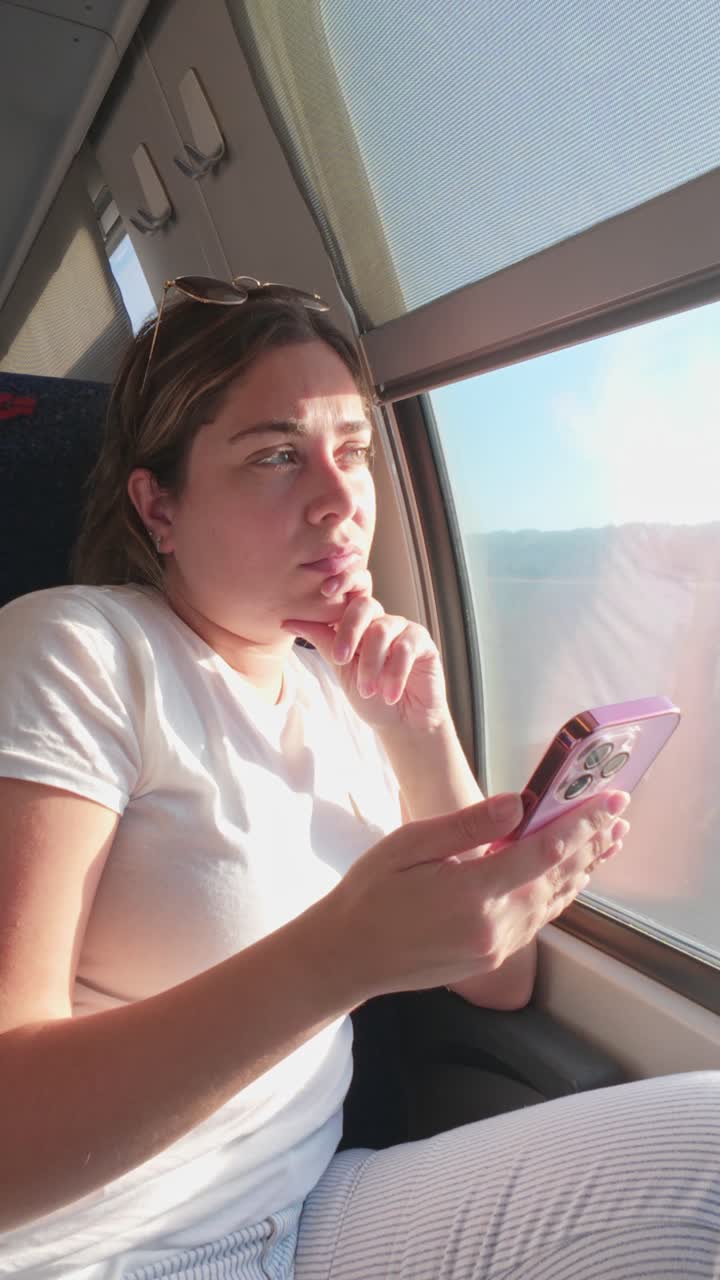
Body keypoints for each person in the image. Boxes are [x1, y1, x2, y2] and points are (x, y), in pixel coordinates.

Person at [0, 278, 717, 1280]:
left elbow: (498, 978)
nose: (340, 503)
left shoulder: (338, 693)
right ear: (159, 505)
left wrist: (417, 732)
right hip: (89, 1251)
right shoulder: (80, 649)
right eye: (277, 455)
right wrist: (338, 957)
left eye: (354, 452)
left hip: (302, 1218)